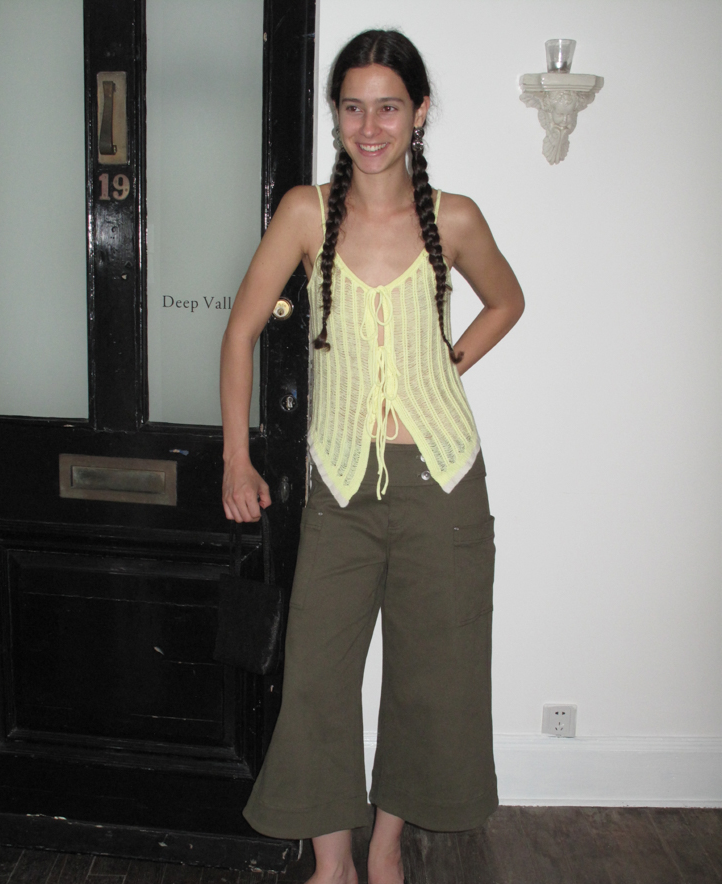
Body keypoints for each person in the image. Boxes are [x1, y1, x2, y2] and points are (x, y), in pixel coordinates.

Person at [220, 29, 524, 884]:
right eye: (353, 107)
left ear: (419, 113)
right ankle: (333, 866)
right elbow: (240, 333)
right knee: (317, 678)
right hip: (341, 484)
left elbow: (507, 300)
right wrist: (237, 459)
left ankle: (385, 849)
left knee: (432, 677)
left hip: (444, 482)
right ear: (336, 114)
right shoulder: (305, 212)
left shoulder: (455, 218)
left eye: (388, 107)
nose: (370, 126)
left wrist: (444, 366)